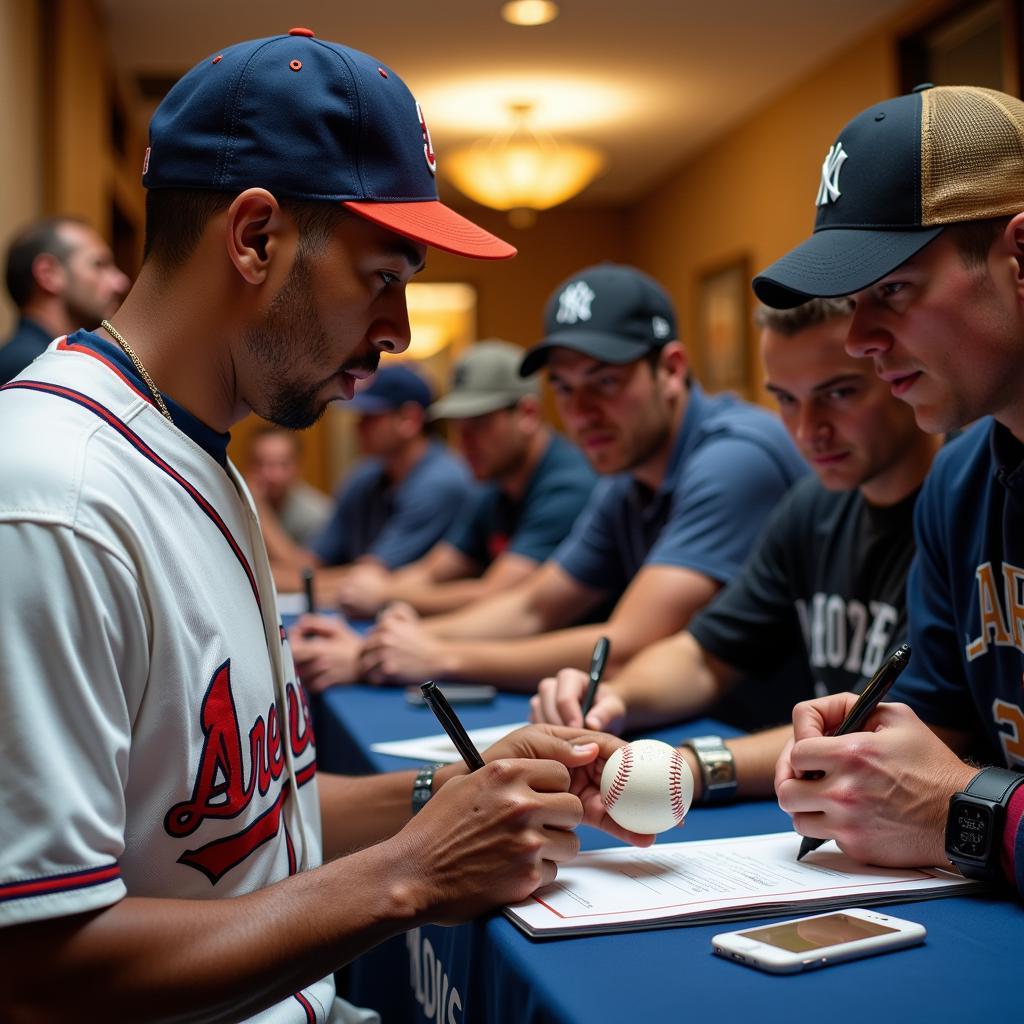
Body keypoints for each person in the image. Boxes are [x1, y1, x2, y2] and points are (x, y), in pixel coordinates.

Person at [0, 31, 648, 1022]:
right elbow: (37, 969)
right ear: (255, 236)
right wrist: (412, 877)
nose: (396, 331)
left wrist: (467, 786)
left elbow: (261, 825)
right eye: (384, 274)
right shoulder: (52, 498)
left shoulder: (196, 451)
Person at [751, 84, 1024, 887]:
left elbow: (953, 794)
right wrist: (864, 751)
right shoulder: (961, 479)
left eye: (894, 291)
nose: (861, 340)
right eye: (853, 302)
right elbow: (948, 728)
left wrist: (962, 812)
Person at [531, 297, 941, 803]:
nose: (808, 430)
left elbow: (884, 727)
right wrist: (615, 699)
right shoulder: (812, 505)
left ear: (900, 373)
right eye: (786, 400)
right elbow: (704, 655)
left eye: (838, 393)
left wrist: (691, 766)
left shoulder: (955, 505)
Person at [359, 263, 808, 690]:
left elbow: (626, 645)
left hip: (783, 740)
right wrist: (394, 642)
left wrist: (438, 656)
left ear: (671, 370)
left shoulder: (734, 458)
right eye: (565, 387)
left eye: (605, 382)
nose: (581, 414)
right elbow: (533, 608)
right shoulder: (626, 475)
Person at [293, 342, 598, 689]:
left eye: (479, 424)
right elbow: (435, 569)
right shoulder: (490, 483)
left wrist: (384, 605)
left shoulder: (569, 484)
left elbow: (502, 596)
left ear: (527, 415)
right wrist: (391, 612)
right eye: (458, 425)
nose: (464, 441)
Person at [265, 363, 474, 598]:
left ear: (409, 420)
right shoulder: (364, 476)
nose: (358, 426)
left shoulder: (440, 482)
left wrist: (273, 580)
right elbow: (308, 563)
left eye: (371, 416)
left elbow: (367, 584)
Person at [0, 216, 130, 382]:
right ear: (49, 274)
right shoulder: (32, 367)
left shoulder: (50, 360)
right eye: (99, 265)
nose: (120, 283)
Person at [245, 424, 332, 546]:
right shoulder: (235, 505)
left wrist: (260, 508)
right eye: (259, 463)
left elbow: (306, 564)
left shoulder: (317, 515)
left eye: (281, 465)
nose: (269, 474)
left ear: (298, 468)